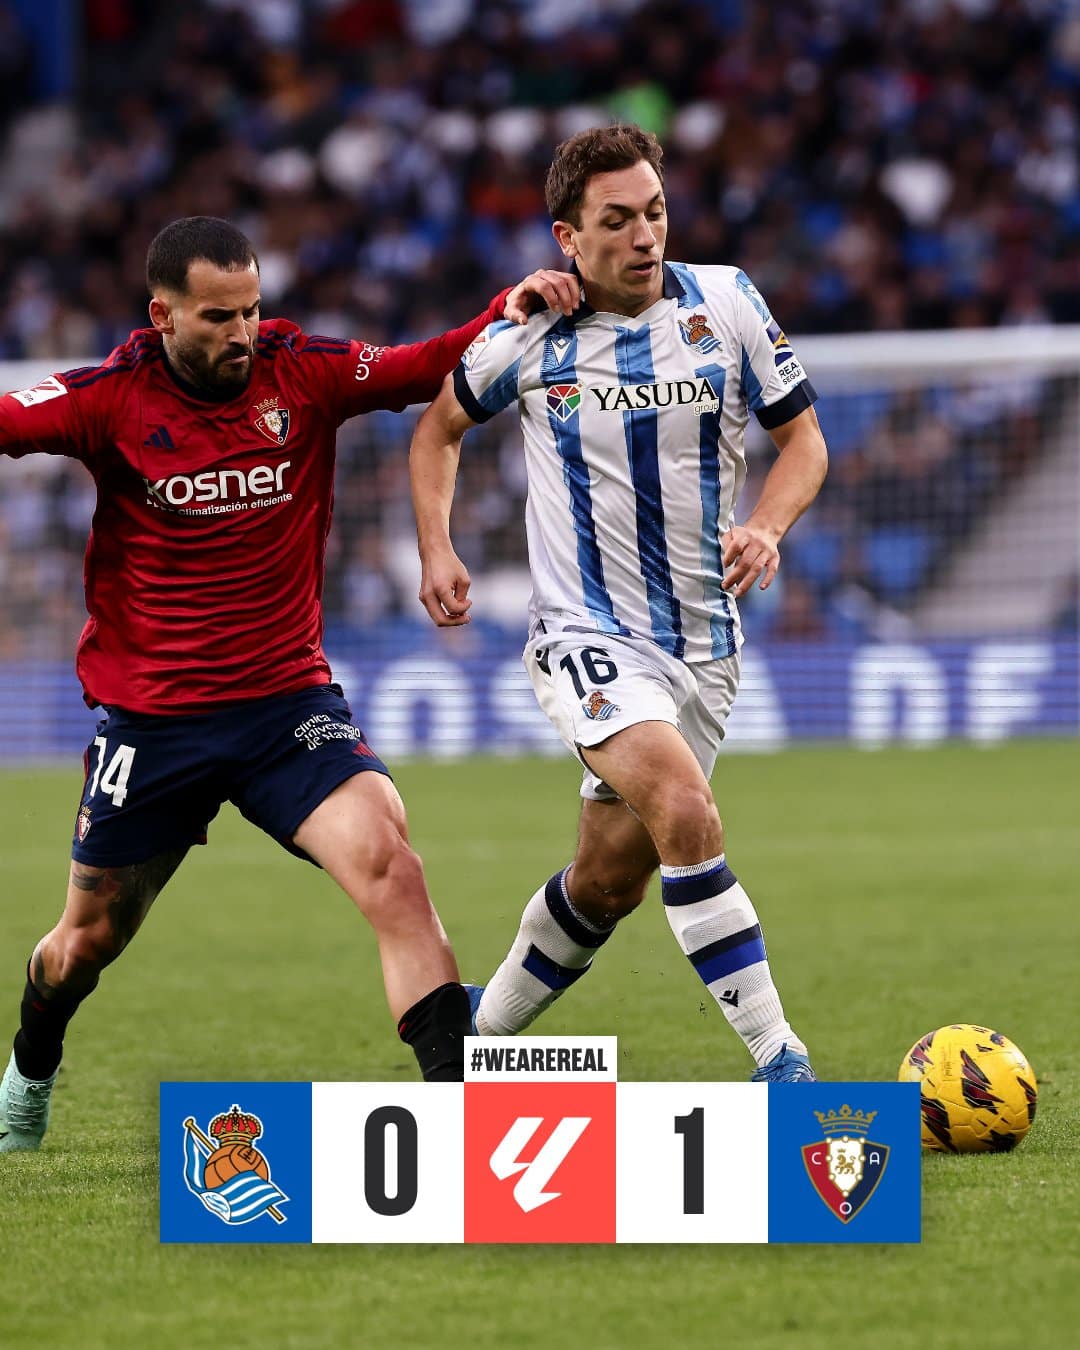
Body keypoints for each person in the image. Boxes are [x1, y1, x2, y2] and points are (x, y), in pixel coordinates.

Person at [0, 215, 579, 1151]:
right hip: (155, 726)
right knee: (84, 945)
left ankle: (462, 1131)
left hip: (286, 709)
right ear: (163, 316)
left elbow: (424, 366)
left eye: (252, 310)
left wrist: (504, 307)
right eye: (219, 317)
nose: (243, 332)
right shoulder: (111, 397)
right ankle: (30, 1068)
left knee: (393, 867)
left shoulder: (300, 370)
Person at [410, 126, 829, 1081]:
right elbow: (436, 431)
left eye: (655, 212)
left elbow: (804, 442)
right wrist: (437, 546)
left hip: (706, 642)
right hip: (584, 631)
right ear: (568, 237)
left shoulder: (728, 302)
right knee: (686, 810)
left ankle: (476, 1043)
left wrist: (767, 525)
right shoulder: (528, 334)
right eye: (617, 220)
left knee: (607, 882)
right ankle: (782, 1062)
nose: (645, 236)